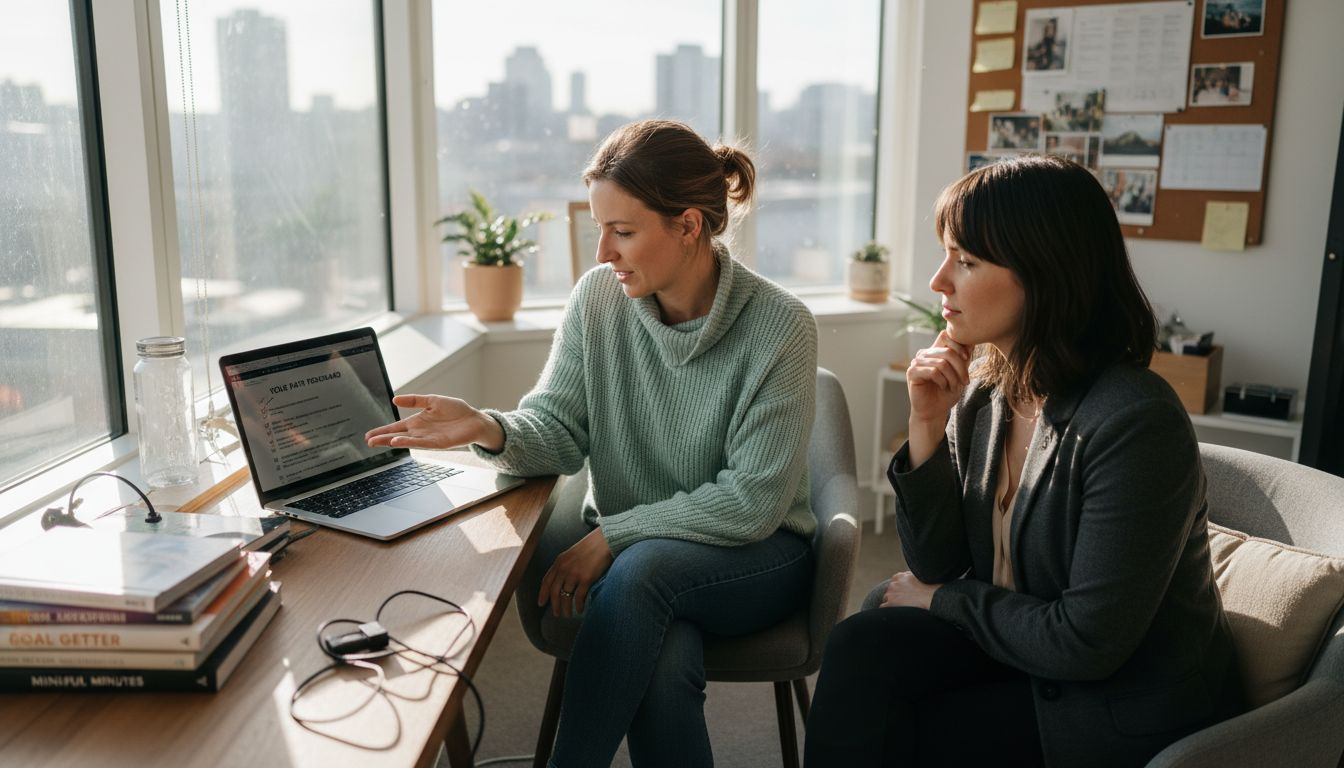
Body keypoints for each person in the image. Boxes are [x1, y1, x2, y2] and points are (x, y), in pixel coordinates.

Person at [366, 119, 818, 767]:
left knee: (640, 571)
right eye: (599, 229)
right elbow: (556, 431)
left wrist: (614, 535)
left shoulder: (780, 327)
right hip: (645, 576)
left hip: (757, 554)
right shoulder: (597, 303)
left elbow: (751, 502)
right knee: (660, 658)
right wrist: (486, 427)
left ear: (689, 226)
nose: (603, 251)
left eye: (624, 232)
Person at [803, 154, 1245, 767]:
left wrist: (942, 602)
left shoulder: (1135, 421)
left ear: (1044, 273)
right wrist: (927, 422)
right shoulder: (987, 391)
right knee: (863, 642)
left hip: (1116, 699)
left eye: (966, 261)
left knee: (910, 731)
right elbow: (936, 560)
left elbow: (1086, 643)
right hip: (1019, 650)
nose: (938, 282)